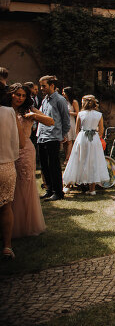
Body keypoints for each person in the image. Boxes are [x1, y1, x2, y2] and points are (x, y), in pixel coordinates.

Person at [10, 83, 50, 238]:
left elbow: (50, 121)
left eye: (23, 95)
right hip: (8, 150)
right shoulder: (6, 109)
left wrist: (34, 116)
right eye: (18, 94)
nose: (20, 98)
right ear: (11, 94)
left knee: (25, 185)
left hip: (25, 151)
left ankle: (26, 225)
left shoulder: (29, 110)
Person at [62, 95, 110, 196]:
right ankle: (92, 189)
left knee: (77, 159)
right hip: (94, 140)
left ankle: (68, 186)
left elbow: (76, 130)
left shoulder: (80, 114)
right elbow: (101, 132)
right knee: (93, 161)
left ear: (84, 103)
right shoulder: (99, 115)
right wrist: (95, 133)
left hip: (82, 137)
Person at [37, 75, 70, 201]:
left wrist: (62, 135)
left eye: (43, 86)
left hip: (53, 137)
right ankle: (49, 189)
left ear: (52, 85)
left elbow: (66, 120)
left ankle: (58, 192)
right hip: (42, 136)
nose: (41, 88)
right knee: (45, 165)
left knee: (54, 165)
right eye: (41, 86)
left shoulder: (60, 100)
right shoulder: (45, 100)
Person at [0, 102, 20, 259]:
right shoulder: (9, 112)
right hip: (6, 164)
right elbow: (15, 138)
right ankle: (7, 246)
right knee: (6, 207)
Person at [61, 87, 79, 164]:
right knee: (64, 141)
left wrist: (68, 113)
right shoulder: (63, 101)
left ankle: (68, 159)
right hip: (63, 122)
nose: (62, 93)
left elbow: (77, 113)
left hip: (70, 122)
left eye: (63, 92)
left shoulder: (74, 102)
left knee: (69, 141)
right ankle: (67, 156)